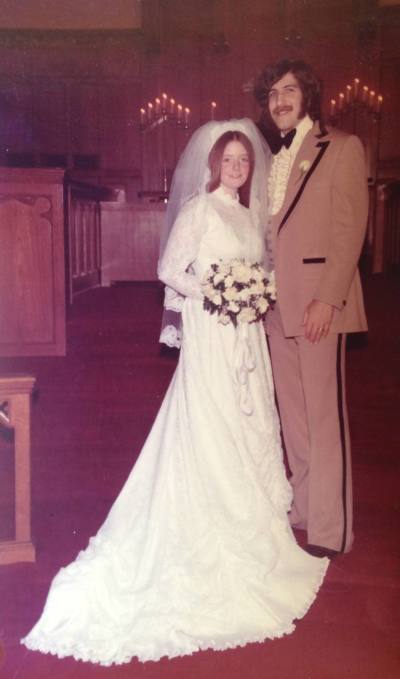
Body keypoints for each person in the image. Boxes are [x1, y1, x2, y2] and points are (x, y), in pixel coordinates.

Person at [21, 119, 328, 667]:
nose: (236, 167)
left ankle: (254, 524)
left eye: (242, 160)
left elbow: (260, 268)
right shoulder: (199, 209)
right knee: (212, 424)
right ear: (214, 165)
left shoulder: (250, 213)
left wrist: (252, 291)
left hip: (246, 339)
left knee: (249, 423)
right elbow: (169, 269)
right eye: (228, 159)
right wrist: (221, 291)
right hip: (212, 333)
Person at [254, 59, 368, 559]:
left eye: (290, 90)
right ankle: (302, 512)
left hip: (318, 303)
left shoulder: (341, 147)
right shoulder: (268, 158)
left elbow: (350, 232)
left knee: (324, 419)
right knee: (294, 419)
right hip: (276, 307)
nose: (280, 100)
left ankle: (329, 528)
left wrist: (329, 298)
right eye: (273, 93)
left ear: (309, 96)